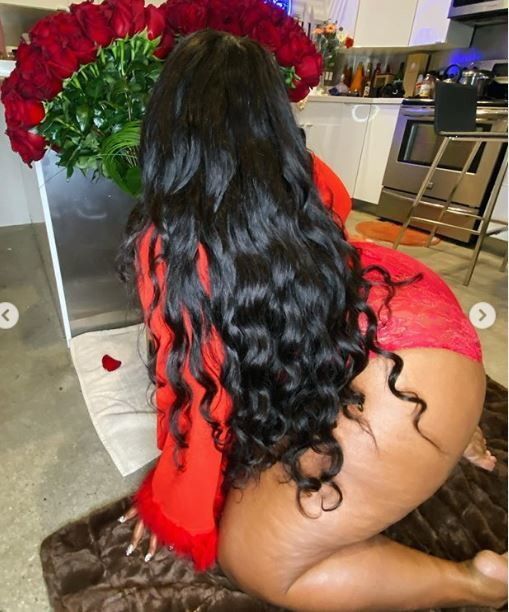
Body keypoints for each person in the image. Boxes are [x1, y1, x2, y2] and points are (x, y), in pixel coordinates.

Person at [118, 29, 507, 611]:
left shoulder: (169, 248)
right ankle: (453, 430)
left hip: (409, 381)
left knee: (254, 560)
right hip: (424, 312)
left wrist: (172, 507)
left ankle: (477, 584)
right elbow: (330, 224)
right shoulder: (304, 177)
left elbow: (200, 402)